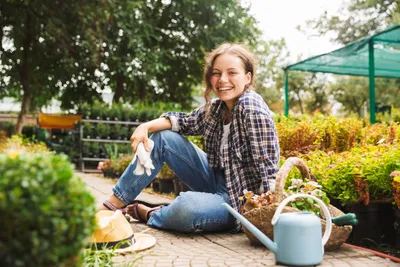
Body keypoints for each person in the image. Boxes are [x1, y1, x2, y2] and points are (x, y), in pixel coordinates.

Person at [100, 42, 280, 233]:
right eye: (216, 73)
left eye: (232, 73)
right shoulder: (217, 108)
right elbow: (182, 121)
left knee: (188, 207)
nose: (222, 79)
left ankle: (152, 214)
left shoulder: (251, 107)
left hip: (238, 202)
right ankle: (114, 204)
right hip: (215, 180)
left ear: (247, 77)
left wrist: (263, 215)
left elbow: (268, 169)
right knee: (163, 138)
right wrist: (145, 126)